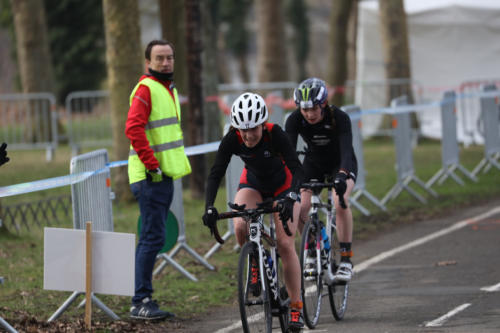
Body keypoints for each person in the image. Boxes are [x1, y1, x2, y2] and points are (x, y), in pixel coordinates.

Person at [202, 92, 305, 331]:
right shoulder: (232, 138)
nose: (248, 136)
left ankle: (297, 306)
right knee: (240, 224)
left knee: (285, 243)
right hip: (254, 183)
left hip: (283, 185)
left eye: (253, 130)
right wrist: (209, 206)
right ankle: (255, 262)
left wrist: (291, 195)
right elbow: (216, 172)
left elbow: (297, 169)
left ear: (262, 124)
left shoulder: (274, 134)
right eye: (243, 130)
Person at [125, 39, 191, 320]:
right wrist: (152, 165)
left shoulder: (168, 89)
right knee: (151, 239)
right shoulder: (146, 89)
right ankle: (140, 301)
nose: (166, 62)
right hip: (150, 176)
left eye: (170, 57)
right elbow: (133, 128)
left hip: (161, 176)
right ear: (148, 63)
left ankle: (144, 297)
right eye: (160, 58)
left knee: (154, 238)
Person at [285, 77, 358, 282]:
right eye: (304, 109)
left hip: (340, 163)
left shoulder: (339, 117)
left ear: (324, 104)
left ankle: (345, 259)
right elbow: (289, 154)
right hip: (313, 162)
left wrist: (342, 175)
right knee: (301, 206)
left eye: (314, 109)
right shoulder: (294, 120)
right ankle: (310, 249)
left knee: (339, 201)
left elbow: (346, 150)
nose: (309, 114)